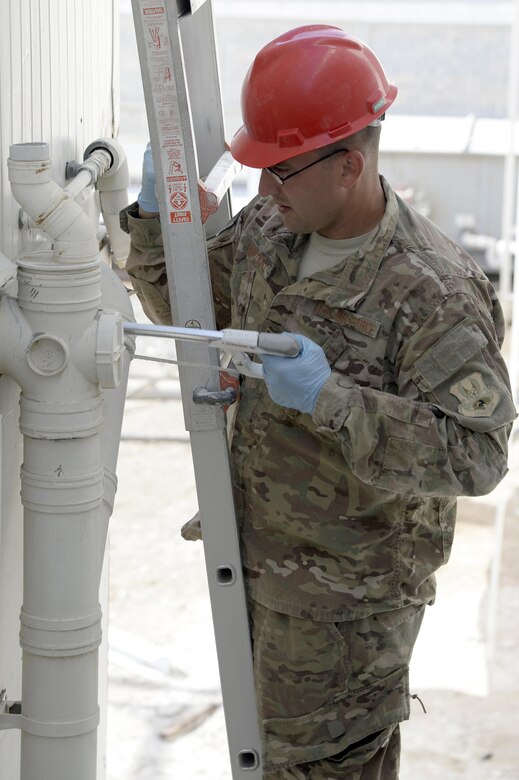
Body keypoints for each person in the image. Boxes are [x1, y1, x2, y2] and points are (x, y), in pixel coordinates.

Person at [121, 25, 516, 779]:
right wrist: (158, 227)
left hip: (346, 612)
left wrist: (332, 399)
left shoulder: (431, 291)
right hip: (260, 566)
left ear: (348, 166)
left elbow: (477, 454)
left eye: (281, 171)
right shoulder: (278, 224)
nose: (263, 191)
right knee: (267, 755)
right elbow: (199, 312)